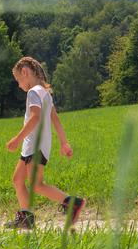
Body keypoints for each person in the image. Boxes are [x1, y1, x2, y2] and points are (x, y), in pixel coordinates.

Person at [5, 56, 83, 228]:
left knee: (36, 184)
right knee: (18, 179)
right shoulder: (45, 92)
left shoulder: (33, 92)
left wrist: (17, 138)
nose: (19, 85)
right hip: (32, 146)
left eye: (18, 80)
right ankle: (26, 217)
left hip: (35, 145)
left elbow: (35, 117)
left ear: (25, 72)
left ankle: (72, 203)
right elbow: (55, 118)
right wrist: (64, 142)